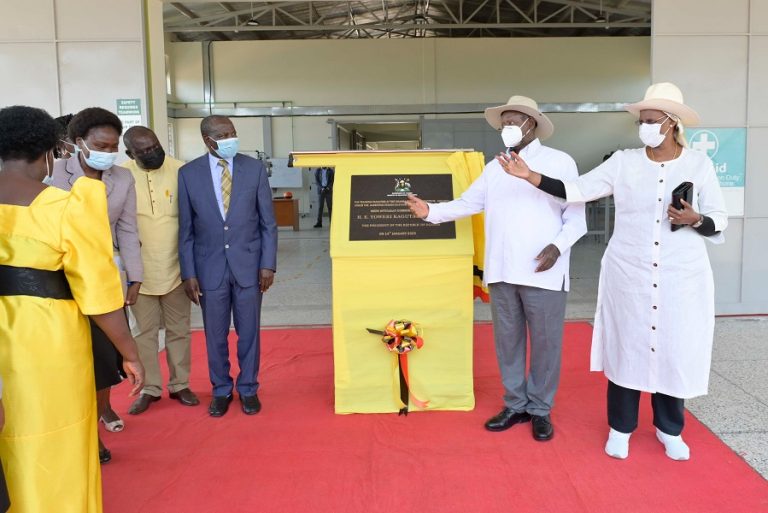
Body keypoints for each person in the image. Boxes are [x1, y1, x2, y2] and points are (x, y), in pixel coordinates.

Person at [497, 82, 728, 460]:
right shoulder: (624, 161)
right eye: (641, 120)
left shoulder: (698, 165)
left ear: (671, 123)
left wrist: (695, 218)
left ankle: (670, 429)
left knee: (673, 348)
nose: (644, 126)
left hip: (680, 273)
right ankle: (621, 427)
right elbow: (576, 189)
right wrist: (531, 177)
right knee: (627, 347)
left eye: (651, 120)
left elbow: (718, 220)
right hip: (630, 271)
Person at [406, 96, 587, 441]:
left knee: (546, 344)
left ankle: (540, 409)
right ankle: (515, 403)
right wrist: (430, 211)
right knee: (508, 342)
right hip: (503, 271)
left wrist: (557, 247)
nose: (507, 127)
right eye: (503, 122)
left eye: (514, 120)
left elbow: (576, 217)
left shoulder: (559, 162)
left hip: (543, 270)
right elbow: (468, 203)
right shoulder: (494, 168)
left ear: (532, 124)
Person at [0, 105, 144, 512]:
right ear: (50, 152)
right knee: (54, 433)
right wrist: (129, 354)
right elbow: (98, 296)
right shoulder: (66, 207)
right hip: (46, 338)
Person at [51, 107, 144, 463]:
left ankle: (102, 411)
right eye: (100, 144)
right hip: (60, 281)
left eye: (113, 145)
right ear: (79, 143)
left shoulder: (122, 179)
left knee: (105, 358)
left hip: (104, 279)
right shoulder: (55, 175)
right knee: (72, 359)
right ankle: (81, 432)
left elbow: (128, 230)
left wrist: (134, 276)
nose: (108, 151)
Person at [178, 115, 278, 417]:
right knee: (215, 334)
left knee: (249, 332)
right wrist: (189, 273)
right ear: (208, 140)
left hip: (249, 266)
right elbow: (186, 230)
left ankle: (248, 388)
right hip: (209, 269)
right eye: (223, 134)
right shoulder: (188, 174)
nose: (230, 138)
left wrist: (268, 264)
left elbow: (268, 224)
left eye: (233, 132)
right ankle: (221, 389)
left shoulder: (254, 169)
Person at [122, 126, 199, 414]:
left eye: (155, 146)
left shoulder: (183, 171)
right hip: (138, 273)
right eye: (143, 151)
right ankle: (150, 388)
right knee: (144, 332)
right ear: (131, 154)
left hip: (177, 269)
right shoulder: (119, 176)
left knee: (179, 330)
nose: (153, 153)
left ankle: (180, 385)